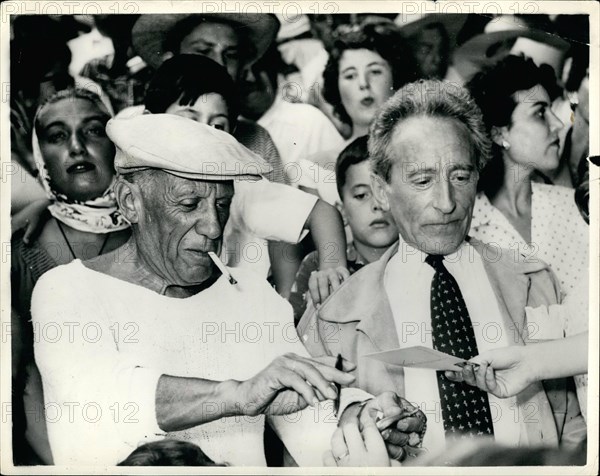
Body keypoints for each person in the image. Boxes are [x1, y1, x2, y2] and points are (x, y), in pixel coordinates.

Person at [31, 113, 425, 466]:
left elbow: (311, 432)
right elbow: (103, 396)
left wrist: (362, 423)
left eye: (222, 205)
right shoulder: (67, 291)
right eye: (189, 205)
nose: (214, 227)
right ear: (130, 202)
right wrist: (238, 394)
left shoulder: (250, 296)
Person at [298, 79, 586, 459]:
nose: (447, 202)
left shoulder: (535, 281)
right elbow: (307, 448)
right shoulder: (333, 319)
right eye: (422, 180)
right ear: (382, 190)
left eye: (461, 176)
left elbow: (574, 427)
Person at [142, 54, 348, 292]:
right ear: (149, 124)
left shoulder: (241, 190)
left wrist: (332, 268)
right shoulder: (137, 193)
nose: (206, 135)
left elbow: (323, 213)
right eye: (189, 120)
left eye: (218, 125)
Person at [11, 88, 131, 464]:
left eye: (94, 131)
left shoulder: (156, 231)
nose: (77, 147)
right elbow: (23, 381)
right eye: (57, 136)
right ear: (38, 154)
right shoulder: (17, 250)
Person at [466, 56, 589, 416]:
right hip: (508, 411)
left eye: (553, 110)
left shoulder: (575, 208)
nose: (556, 124)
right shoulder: (469, 227)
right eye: (539, 113)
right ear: (499, 133)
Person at [131, 13, 287, 185]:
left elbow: (279, 206)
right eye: (203, 51)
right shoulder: (130, 128)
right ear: (169, 59)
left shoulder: (257, 140)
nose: (219, 63)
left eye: (231, 54)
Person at [304, 19, 418, 206]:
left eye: (375, 72)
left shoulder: (420, 153)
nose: (363, 83)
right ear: (337, 89)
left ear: (395, 81)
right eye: (350, 75)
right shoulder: (314, 168)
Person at [289, 136, 398, 322]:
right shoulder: (318, 265)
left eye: (384, 192)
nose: (376, 205)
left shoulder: (422, 262)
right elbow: (297, 332)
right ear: (342, 211)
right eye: (362, 195)